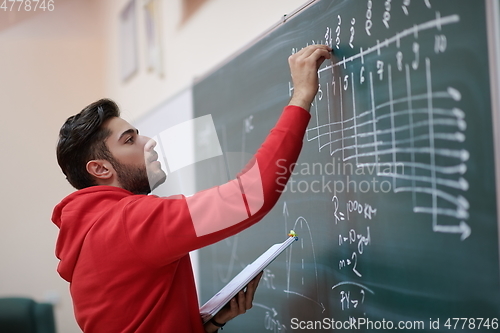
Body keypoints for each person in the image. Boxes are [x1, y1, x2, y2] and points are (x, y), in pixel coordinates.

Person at [52, 44, 332, 332]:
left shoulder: (88, 231)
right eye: (129, 140)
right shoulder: (128, 221)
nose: (148, 141)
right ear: (100, 168)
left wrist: (208, 323)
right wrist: (301, 97)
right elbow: (251, 195)